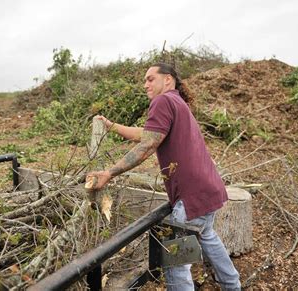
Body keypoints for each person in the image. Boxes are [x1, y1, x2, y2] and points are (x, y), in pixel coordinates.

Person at [86, 63, 241, 291]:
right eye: (145, 80)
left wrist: (109, 173)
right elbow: (146, 133)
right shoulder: (177, 102)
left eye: (150, 79)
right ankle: (232, 285)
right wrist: (112, 126)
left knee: (175, 262)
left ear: (167, 80)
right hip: (208, 191)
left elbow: (148, 144)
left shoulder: (163, 100)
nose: (145, 84)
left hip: (190, 197)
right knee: (207, 235)